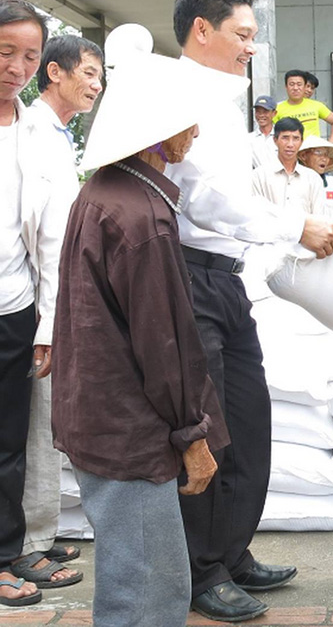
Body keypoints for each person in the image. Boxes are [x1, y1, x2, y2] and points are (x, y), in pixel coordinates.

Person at [165, 0, 333, 623]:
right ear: (202, 31)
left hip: (226, 277)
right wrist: (296, 226)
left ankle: (231, 549)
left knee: (247, 418)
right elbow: (204, 197)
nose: (252, 47)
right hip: (187, 277)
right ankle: (199, 569)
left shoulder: (226, 99)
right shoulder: (178, 97)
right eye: (242, 35)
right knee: (205, 430)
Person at [52, 50, 234, 627]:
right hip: (132, 431)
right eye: (189, 120)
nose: (197, 131)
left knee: (131, 576)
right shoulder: (142, 218)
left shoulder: (104, 193)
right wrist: (191, 435)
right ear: (159, 131)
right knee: (150, 593)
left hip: (99, 416)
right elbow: (168, 347)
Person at [16, 35, 105, 587]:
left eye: (100, 76)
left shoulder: (56, 133)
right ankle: (26, 543)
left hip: (50, 298)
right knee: (30, 427)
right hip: (33, 303)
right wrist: (48, 323)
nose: (96, 84)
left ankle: (40, 535)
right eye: (89, 73)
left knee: (45, 422)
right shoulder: (32, 133)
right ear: (54, 72)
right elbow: (43, 237)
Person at [0, 0, 49, 610]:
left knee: (9, 442)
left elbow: (53, 231)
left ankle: (6, 555)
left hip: (13, 306)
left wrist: (49, 319)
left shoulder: (35, 132)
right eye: (6, 52)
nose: (16, 67)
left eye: (29, 56)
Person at [251, 117, 327, 215]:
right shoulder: (259, 176)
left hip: (306, 230)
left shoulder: (313, 178)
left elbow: (319, 218)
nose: (290, 144)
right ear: (275, 140)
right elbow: (256, 215)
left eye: (296, 138)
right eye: (285, 138)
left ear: (301, 142)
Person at [273, 69, 333, 142]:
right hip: (290, 151)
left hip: (313, 151)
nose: (295, 88)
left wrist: (330, 143)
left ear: (304, 86)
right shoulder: (277, 109)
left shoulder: (316, 105)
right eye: (291, 84)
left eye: (299, 84)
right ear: (286, 87)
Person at [298, 135, 333, 223]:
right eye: (318, 152)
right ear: (303, 156)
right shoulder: (296, 181)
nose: (324, 159)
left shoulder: (332, 183)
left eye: (326, 155)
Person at [249, 94, 277, 169]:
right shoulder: (249, 139)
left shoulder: (281, 136)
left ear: (274, 113)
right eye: (258, 112)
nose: (261, 115)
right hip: (258, 179)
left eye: (265, 112)